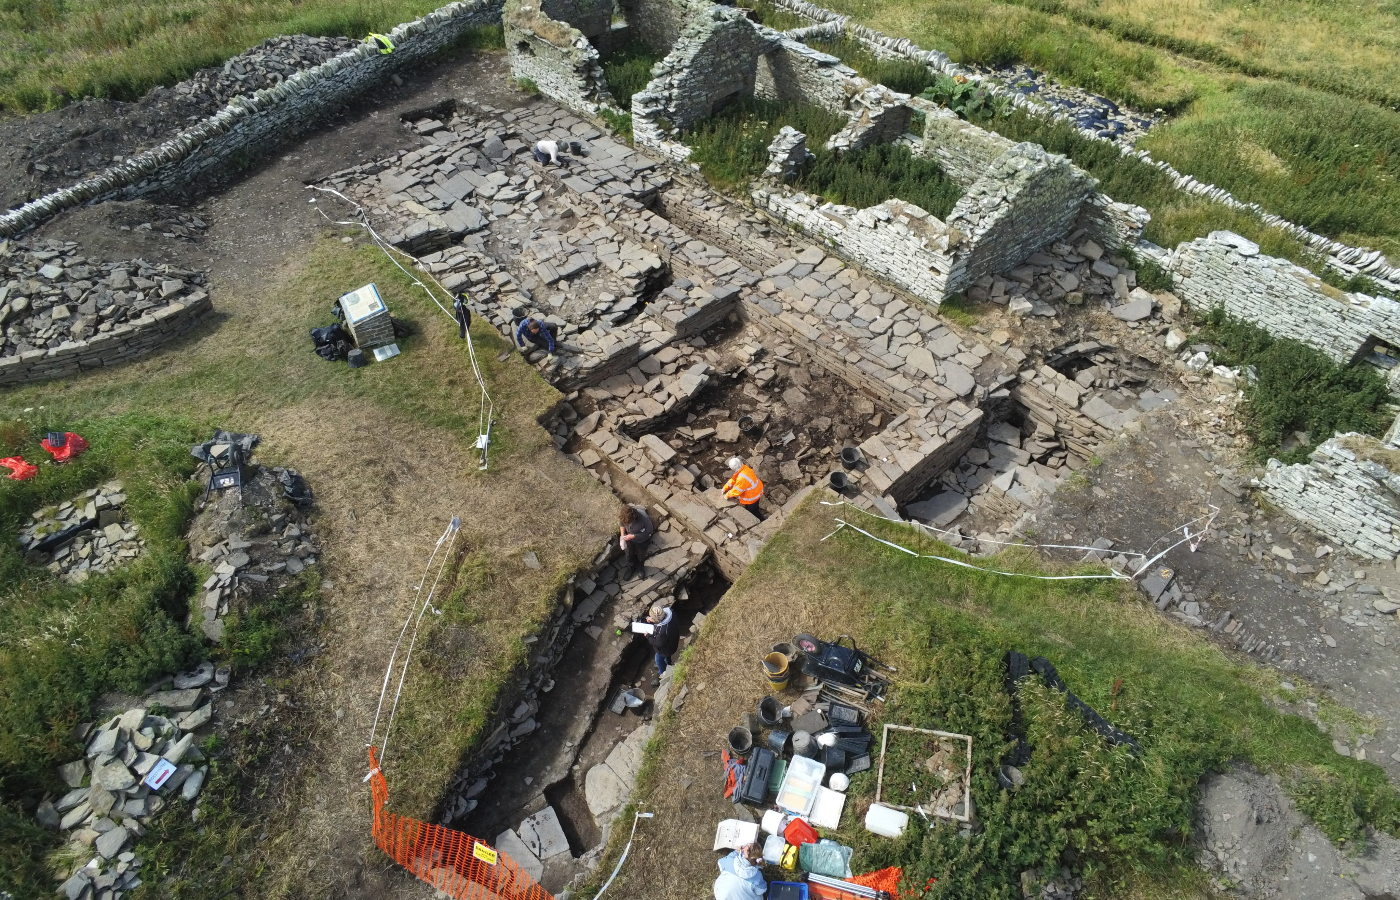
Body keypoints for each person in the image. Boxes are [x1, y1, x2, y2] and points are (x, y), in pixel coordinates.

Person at [642, 602, 679, 682]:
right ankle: (668, 663)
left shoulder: (662, 631)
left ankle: (662, 674)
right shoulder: (671, 612)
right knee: (666, 657)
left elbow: (658, 643)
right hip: (672, 642)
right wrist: (653, 620)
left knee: (658, 659)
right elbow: (660, 622)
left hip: (665, 649)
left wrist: (647, 636)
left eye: (652, 617)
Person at [722, 456, 766, 521]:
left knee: (752, 511)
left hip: (753, 496)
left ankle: (761, 520)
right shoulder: (744, 468)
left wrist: (727, 495)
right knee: (751, 508)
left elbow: (737, 491)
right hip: (756, 490)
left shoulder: (741, 478)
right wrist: (725, 487)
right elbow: (734, 479)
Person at [618, 504, 654, 577]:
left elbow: (649, 532)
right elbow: (621, 523)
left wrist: (634, 536)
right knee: (629, 554)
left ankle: (640, 567)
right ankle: (631, 567)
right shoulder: (624, 516)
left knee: (641, 555)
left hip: (642, 541)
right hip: (629, 539)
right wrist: (622, 536)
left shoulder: (644, 519)